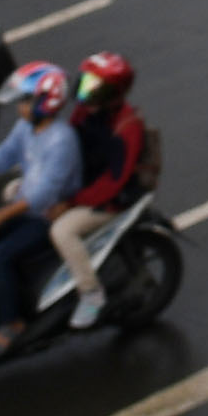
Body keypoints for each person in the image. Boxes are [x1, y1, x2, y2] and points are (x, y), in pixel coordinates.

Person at [0, 61, 83, 358]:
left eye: (26, 100)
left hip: (47, 217)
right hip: (24, 207)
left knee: (0, 256)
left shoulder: (61, 140)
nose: (21, 107)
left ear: (45, 102)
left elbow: (42, 196)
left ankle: (11, 322)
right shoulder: (26, 128)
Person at [48, 51, 151, 330]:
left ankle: (91, 293)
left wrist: (70, 203)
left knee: (63, 231)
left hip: (107, 201)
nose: (85, 91)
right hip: (80, 185)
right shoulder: (85, 113)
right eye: (85, 83)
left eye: (94, 87)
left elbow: (112, 183)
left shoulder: (126, 128)